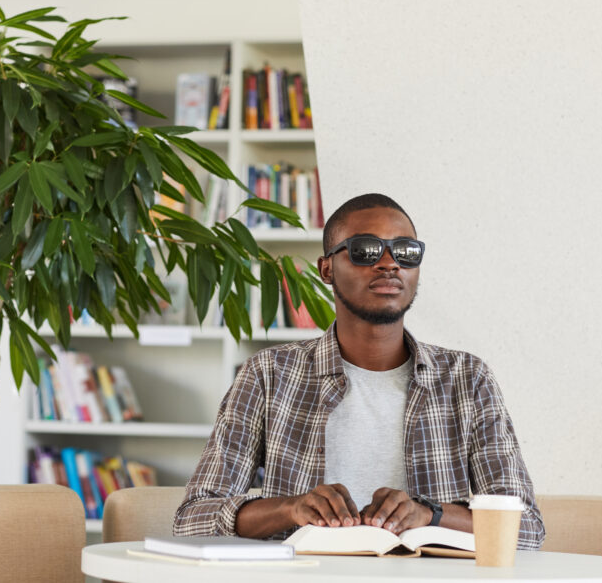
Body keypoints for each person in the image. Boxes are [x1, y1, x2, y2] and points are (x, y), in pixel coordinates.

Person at [173, 193, 545, 549]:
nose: (389, 263)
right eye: (365, 250)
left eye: (406, 251)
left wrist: (428, 515)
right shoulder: (269, 374)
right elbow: (193, 518)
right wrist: (291, 508)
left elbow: (526, 526)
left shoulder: (467, 378)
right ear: (326, 268)